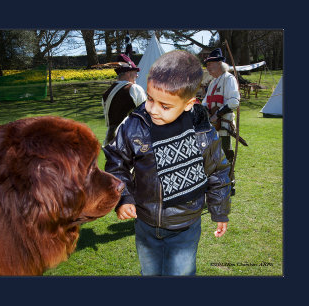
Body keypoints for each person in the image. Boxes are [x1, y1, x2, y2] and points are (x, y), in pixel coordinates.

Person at [103, 50, 231, 276]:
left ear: (189, 103)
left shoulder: (203, 132)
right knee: (150, 274)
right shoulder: (135, 125)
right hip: (146, 224)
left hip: (186, 226)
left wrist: (220, 211)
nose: (152, 109)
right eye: (150, 98)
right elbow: (117, 163)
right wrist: (123, 197)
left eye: (165, 105)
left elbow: (218, 172)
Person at [201, 48, 240, 195]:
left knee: (225, 156)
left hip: (223, 126)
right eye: (207, 64)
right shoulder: (212, 83)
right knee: (213, 158)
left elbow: (234, 101)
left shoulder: (228, 79)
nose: (208, 67)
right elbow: (205, 103)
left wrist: (217, 114)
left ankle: (230, 185)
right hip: (212, 127)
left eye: (211, 64)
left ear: (220, 64)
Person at [102, 53, 146, 145]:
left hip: (110, 141)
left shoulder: (107, 92)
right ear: (128, 73)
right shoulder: (134, 88)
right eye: (135, 72)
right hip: (131, 141)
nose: (137, 75)